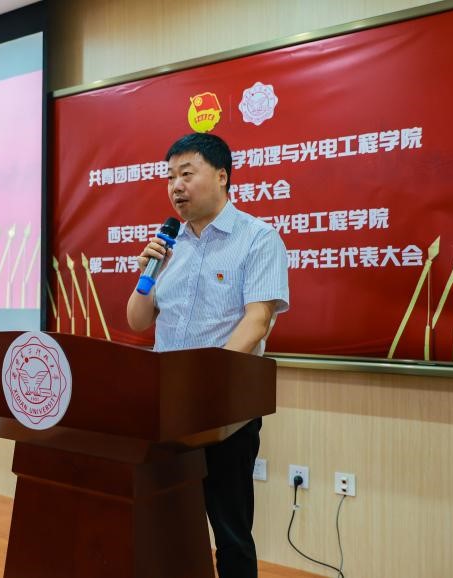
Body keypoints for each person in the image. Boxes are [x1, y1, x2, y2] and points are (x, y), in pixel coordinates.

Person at [126, 132, 289, 578]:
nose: (176, 186)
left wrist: (205, 382)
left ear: (221, 176)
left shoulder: (258, 239)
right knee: (168, 521)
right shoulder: (169, 245)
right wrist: (146, 274)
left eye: (186, 173)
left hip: (224, 409)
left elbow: (257, 321)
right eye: (169, 177)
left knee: (230, 531)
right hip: (165, 408)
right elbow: (138, 320)